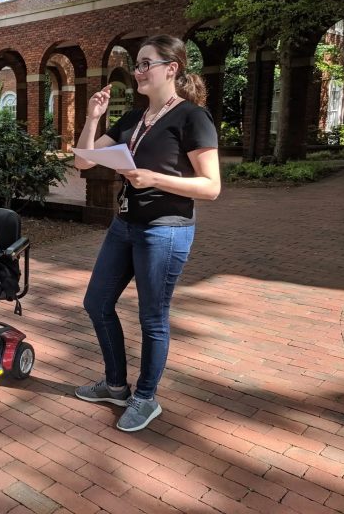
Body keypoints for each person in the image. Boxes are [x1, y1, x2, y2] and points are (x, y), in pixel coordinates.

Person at [73, 34, 221, 432]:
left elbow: (211, 187)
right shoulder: (133, 118)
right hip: (125, 224)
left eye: (145, 64)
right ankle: (117, 385)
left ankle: (145, 397)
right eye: (137, 65)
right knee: (96, 302)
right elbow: (84, 162)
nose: (137, 71)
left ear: (171, 69)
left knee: (153, 318)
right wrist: (92, 118)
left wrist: (154, 178)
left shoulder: (192, 117)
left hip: (165, 231)